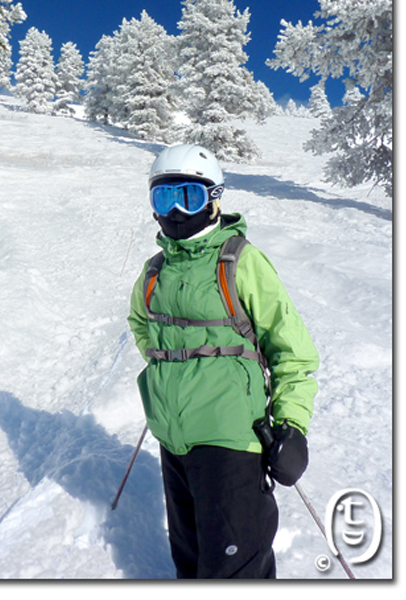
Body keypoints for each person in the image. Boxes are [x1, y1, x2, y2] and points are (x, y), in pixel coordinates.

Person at [128, 144, 319, 579]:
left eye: (189, 197)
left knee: (233, 572)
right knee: (191, 561)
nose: (176, 210)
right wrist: (171, 372)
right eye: (164, 197)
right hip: (172, 439)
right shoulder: (154, 270)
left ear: (214, 199)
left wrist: (292, 426)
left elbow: (293, 351)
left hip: (232, 441)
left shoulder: (240, 261)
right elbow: (142, 325)